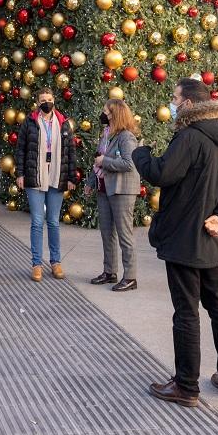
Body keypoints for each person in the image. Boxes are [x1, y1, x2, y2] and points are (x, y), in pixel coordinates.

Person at [132, 79, 218, 407]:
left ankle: (186, 386)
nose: (171, 102)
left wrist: (140, 153)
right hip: (210, 242)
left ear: (189, 104)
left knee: (186, 312)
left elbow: (162, 173)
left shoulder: (190, 137)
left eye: (174, 98)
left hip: (184, 240)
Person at [15, 87, 76, 282]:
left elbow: (71, 152)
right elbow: (21, 149)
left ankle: (56, 261)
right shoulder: (30, 122)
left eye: (49, 99)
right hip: (35, 175)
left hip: (56, 175)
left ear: (54, 100)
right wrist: (20, 173)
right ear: (37, 102)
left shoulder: (64, 123)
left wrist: (71, 177)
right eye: (42, 99)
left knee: (53, 222)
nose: (46, 102)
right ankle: (36, 264)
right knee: (37, 221)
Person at [89, 100, 141, 292]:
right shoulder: (106, 135)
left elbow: (129, 163)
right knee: (106, 232)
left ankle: (130, 277)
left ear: (115, 114)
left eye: (105, 111)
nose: (102, 114)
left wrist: (105, 161)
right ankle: (109, 271)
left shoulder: (126, 137)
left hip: (122, 190)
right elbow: (97, 159)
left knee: (124, 235)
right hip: (104, 187)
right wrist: (90, 182)